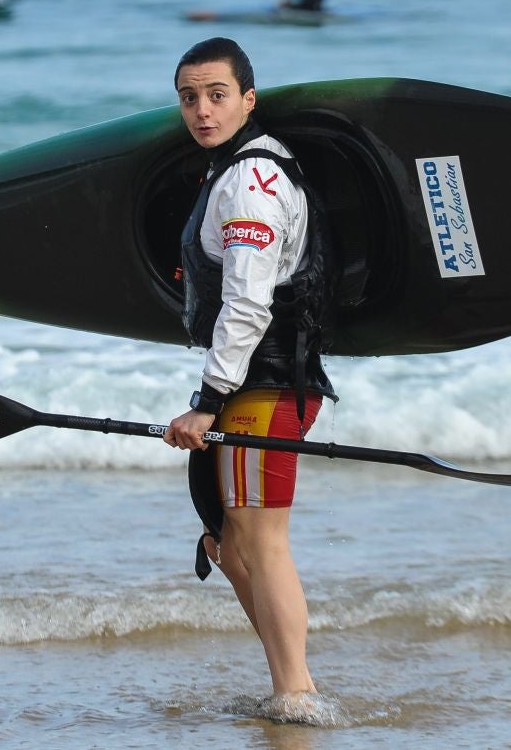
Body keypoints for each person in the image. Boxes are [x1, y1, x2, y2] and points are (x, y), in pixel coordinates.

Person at [162, 37, 337, 706]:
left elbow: (248, 303)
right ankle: (291, 688)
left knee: (261, 546)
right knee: (228, 545)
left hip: (260, 390)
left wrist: (208, 400)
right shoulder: (237, 168)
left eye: (216, 95)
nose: (202, 111)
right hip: (255, 386)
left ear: (248, 99)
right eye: (188, 98)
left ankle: (296, 696)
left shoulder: (250, 182)